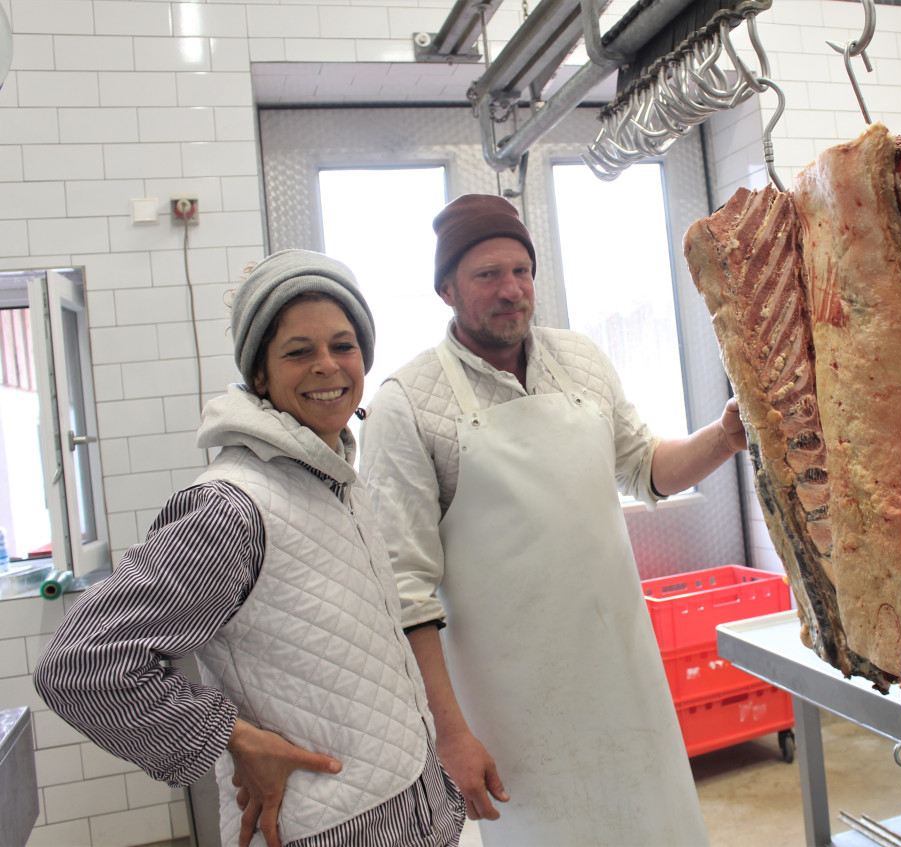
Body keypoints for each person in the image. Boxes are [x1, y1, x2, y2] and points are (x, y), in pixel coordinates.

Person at [34, 250, 466, 847]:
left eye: (343, 346)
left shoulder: (334, 478)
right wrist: (232, 739)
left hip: (409, 812)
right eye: (297, 351)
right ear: (258, 375)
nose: (327, 366)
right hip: (328, 826)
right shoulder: (232, 506)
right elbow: (81, 665)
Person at [359, 194, 747, 846]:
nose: (511, 290)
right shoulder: (405, 406)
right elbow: (406, 593)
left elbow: (645, 467)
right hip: (513, 710)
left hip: (622, 676)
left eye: (522, 271)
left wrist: (726, 435)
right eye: (487, 275)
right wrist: (450, 733)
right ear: (447, 289)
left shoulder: (581, 360)